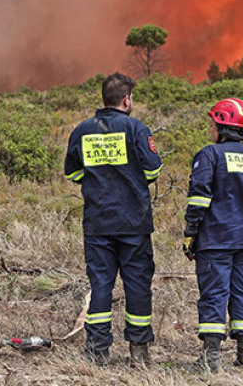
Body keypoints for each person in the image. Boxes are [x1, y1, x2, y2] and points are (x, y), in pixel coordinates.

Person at [64, 72, 162, 367]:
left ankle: (97, 350)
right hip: (133, 223)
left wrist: (98, 181)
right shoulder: (136, 129)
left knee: (101, 284)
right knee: (137, 285)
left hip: (98, 223)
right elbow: (152, 171)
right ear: (127, 99)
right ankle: (139, 350)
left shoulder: (82, 130)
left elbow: (72, 173)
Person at [183, 97, 243, 372]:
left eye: (213, 123)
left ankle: (211, 359)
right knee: (242, 293)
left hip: (217, 239)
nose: (210, 129)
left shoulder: (209, 155)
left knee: (214, 294)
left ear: (222, 125)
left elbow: (198, 199)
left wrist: (190, 234)